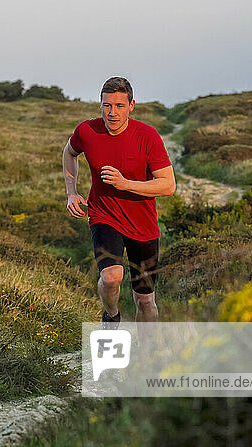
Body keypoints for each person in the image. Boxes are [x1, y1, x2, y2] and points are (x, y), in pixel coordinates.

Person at [62, 77, 175, 327]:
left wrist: (126, 184)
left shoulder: (148, 136)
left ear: (131, 105)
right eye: (107, 105)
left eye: (119, 106)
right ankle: (111, 316)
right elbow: (70, 152)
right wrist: (72, 191)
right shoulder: (87, 131)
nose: (112, 113)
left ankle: (147, 357)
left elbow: (168, 185)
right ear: (100, 104)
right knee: (112, 276)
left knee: (145, 301)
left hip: (143, 225)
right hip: (104, 215)